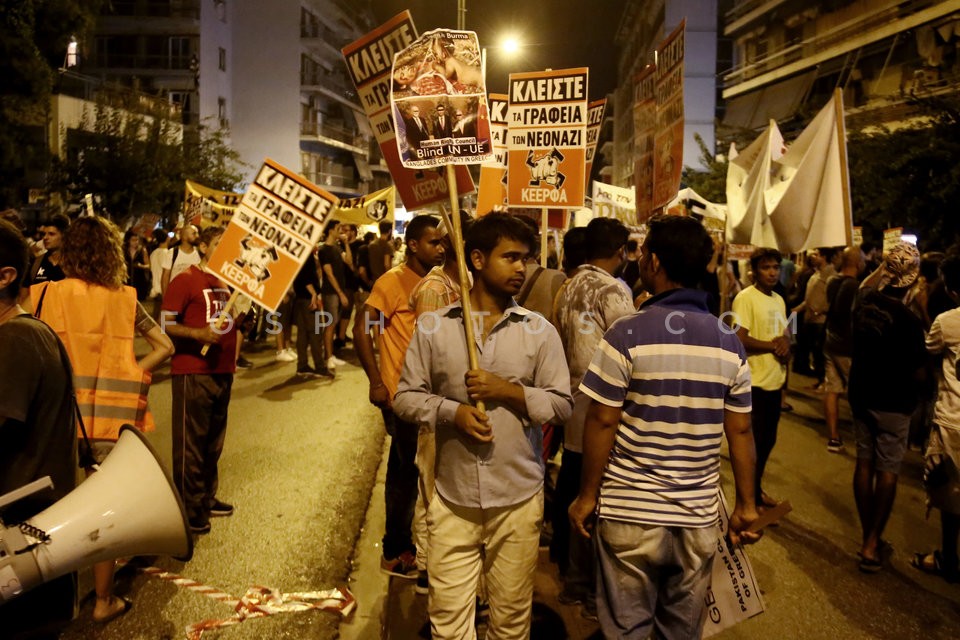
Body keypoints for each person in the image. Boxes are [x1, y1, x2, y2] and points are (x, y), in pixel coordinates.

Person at [569, 215, 760, 639]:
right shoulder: (728, 341)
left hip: (628, 513)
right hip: (695, 517)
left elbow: (602, 420)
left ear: (653, 261)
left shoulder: (626, 333)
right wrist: (747, 505)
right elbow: (742, 432)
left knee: (626, 629)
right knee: (679, 631)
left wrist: (586, 496)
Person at [394, 213, 573, 639]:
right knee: (448, 623)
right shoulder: (434, 326)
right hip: (451, 499)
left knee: (510, 623)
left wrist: (507, 391)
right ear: (476, 258)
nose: (521, 268)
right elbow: (405, 396)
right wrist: (450, 412)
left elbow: (562, 404)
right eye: (510, 257)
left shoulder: (538, 331)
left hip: (518, 498)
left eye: (525, 259)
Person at [32, 215, 173, 624]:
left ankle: (47, 600)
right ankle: (102, 600)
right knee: (102, 510)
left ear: (70, 251)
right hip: (110, 421)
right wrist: (135, 374)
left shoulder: (45, 294)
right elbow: (163, 345)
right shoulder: (125, 298)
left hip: (57, 418)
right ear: (111, 252)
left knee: (50, 509)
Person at [354, 214, 445, 579]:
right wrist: (376, 382)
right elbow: (363, 331)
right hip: (401, 393)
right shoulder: (392, 283)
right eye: (433, 242)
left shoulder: (438, 282)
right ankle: (395, 550)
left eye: (442, 242)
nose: (440, 248)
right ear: (413, 244)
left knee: (420, 471)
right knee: (406, 473)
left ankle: (410, 546)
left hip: (430, 395)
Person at [552, 217, 634, 621]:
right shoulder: (612, 289)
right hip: (603, 403)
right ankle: (589, 590)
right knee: (596, 495)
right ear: (620, 251)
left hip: (573, 399)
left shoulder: (569, 287)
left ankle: (573, 580)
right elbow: (630, 347)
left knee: (577, 486)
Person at [0, 219, 78, 638]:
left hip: (20, 542)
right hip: (33, 541)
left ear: (5, 276)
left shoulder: (16, 340)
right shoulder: (29, 333)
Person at [849, 241, 927, 572]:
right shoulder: (910, 322)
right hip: (894, 402)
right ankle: (870, 544)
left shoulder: (865, 303)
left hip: (862, 393)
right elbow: (920, 370)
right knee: (888, 470)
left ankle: (870, 536)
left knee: (864, 464)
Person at [161, 226, 239, 535]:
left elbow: (230, 320)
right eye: (219, 244)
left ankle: (205, 499)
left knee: (212, 444)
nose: (225, 250)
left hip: (222, 371)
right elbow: (165, 323)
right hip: (193, 370)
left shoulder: (228, 283)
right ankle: (187, 509)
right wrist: (197, 334)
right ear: (204, 247)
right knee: (191, 446)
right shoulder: (186, 280)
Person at [732, 247, 791, 513]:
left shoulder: (779, 299)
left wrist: (786, 344)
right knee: (752, 445)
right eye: (766, 267)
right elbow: (740, 338)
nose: (772, 272)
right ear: (754, 271)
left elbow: (784, 333)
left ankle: (756, 491)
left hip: (774, 380)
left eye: (775, 267)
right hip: (753, 382)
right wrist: (772, 346)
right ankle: (747, 502)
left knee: (769, 441)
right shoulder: (745, 298)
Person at [916, 254, 960, 583]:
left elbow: (927, 349)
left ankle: (948, 557)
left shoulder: (946, 321)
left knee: (948, 495)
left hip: (952, 422)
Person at [822, 246, 866, 452]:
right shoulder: (854, 287)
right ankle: (865, 439)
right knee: (859, 393)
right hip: (847, 347)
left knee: (832, 390)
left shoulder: (832, 281)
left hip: (830, 341)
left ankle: (833, 437)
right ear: (858, 263)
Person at [318, 220, 350, 373]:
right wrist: (341, 293)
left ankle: (331, 354)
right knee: (330, 325)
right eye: (338, 228)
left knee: (334, 323)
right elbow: (329, 274)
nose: (341, 231)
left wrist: (346, 244)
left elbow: (349, 261)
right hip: (331, 292)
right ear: (331, 230)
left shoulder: (337, 248)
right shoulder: (324, 250)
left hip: (338, 291)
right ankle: (328, 357)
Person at [26, 213, 69, 288]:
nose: (45, 238)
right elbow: (24, 295)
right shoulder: (36, 263)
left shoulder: (73, 264)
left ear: (64, 235)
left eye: (51, 234)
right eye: (43, 234)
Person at [160, 223, 200, 295]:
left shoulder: (200, 253)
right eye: (194, 233)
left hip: (194, 296)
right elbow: (165, 277)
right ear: (184, 236)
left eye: (197, 233)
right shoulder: (172, 253)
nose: (197, 236)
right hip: (176, 295)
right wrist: (165, 297)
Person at [123, 230, 151, 301]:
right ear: (128, 240)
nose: (136, 242)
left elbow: (148, 265)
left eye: (137, 240)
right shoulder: (124, 250)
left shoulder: (142, 250)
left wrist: (141, 266)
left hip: (139, 282)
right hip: (126, 281)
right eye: (133, 240)